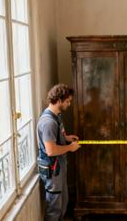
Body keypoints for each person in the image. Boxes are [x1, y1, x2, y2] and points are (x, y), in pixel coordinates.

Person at [36, 84, 81, 221]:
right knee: (54, 208)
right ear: (59, 100)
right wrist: (70, 148)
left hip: (59, 168)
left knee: (63, 203)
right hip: (53, 169)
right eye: (67, 101)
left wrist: (66, 138)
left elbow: (54, 139)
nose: (69, 104)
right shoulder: (49, 122)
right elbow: (51, 150)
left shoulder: (57, 116)